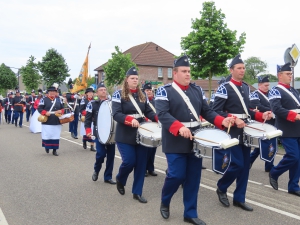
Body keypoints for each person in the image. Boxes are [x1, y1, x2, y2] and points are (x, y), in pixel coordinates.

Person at [155, 55, 234, 225]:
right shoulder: (164, 91)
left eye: (189, 71)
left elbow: (207, 111)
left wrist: (221, 121)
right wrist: (179, 127)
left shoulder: (197, 90)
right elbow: (162, 114)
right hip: (175, 140)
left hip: (196, 140)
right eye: (184, 71)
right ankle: (165, 200)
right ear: (175, 73)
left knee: (193, 178)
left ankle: (190, 213)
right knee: (176, 175)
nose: (187, 74)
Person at [212, 54, 272, 212]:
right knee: (237, 164)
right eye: (239, 68)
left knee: (245, 166)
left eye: (244, 68)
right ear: (231, 70)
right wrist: (232, 118)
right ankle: (221, 187)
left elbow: (248, 111)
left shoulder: (245, 87)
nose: (242, 70)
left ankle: (239, 198)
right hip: (231, 131)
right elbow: (215, 111)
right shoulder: (225, 87)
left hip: (244, 130)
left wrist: (261, 115)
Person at [112, 66, 157, 204]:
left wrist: (158, 119)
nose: (135, 80)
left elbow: (149, 112)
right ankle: (121, 178)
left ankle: (137, 192)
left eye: (136, 78)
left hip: (141, 133)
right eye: (132, 78)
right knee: (129, 161)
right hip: (125, 134)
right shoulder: (118, 94)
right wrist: (129, 119)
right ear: (126, 80)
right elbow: (116, 114)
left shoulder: (142, 95)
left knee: (141, 164)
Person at [268, 62, 300, 196]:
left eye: (291, 74)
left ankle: (293, 185)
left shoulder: (293, 90)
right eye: (288, 74)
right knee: (293, 156)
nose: (290, 76)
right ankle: (274, 173)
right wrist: (294, 115)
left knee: (298, 159)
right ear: (279, 76)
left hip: (298, 128)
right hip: (286, 128)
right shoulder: (275, 90)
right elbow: (277, 109)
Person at [85, 82, 116, 184]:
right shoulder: (92, 104)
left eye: (104, 89)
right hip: (99, 133)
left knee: (111, 156)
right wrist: (88, 131)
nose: (104, 91)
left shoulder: (112, 103)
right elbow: (88, 120)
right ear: (97, 93)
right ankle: (96, 170)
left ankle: (108, 177)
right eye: (101, 90)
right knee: (101, 154)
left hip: (111, 133)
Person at [249, 75, 275, 172]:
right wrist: (272, 110)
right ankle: (267, 165)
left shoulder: (271, 94)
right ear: (259, 85)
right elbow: (256, 106)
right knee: (265, 144)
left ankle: (268, 165)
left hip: (273, 122)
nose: (267, 87)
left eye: (268, 85)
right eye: (265, 85)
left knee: (270, 144)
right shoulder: (255, 94)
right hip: (262, 122)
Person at [37, 85, 64, 156]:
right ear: (48, 92)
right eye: (51, 91)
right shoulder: (44, 99)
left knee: (56, 135)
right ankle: (47, 147)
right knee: (48, 135)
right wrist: (45, 112)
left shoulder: (58, 100)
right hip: (47, 121)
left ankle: (55, 150)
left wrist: (61, 111)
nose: (52, 93)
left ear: (56, 92)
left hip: (56, 120)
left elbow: (63, 109)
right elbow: (39, 108)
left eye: (54, 91)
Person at [143, 82, 158, 177]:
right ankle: (143, 168)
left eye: (150, 90)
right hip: (146, 126)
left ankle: (150, 168)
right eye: (147, 90)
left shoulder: (156, 101)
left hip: (155, 127)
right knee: (146, 149)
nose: (149, 92)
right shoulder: (142, 100)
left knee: (153, 149)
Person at [80, 87, 96, 152]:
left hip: (93, 118)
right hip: (86, 117)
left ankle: (92, 146)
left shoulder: (95, 100)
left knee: (93, 132)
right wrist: (87, 113)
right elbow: (81, 109)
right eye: (89, 93)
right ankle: (84, 141)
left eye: (92, 93)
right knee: (86, 131)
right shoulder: (84, 100)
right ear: (86, 94)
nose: (91, 94)